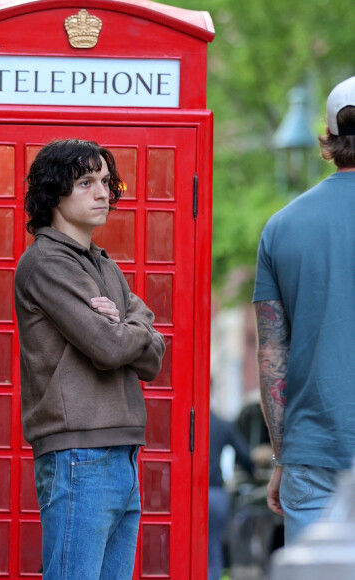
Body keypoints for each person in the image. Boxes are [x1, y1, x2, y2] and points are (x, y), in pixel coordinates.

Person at [14, 139, 165, 580]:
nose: (103, 193)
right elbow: (108, 348)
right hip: (78, 453)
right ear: (54, 193)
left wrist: (125, 326)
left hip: (122, 453)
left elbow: (153, 358)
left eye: (106, 182)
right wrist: (129, 330)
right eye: (86, 183)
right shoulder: (45, 263)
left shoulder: (104, 266)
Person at [253, 76, 355, 544]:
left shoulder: (281, 226)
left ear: (330, 140)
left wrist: (281, 457)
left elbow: (272, 353)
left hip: (311, 456)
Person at [208, 408, 255, 580]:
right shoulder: (223, 424)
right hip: (216, 492)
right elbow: (245, 455)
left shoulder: (184, 420)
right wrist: (254, 472)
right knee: (213, 547)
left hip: (186, 495)